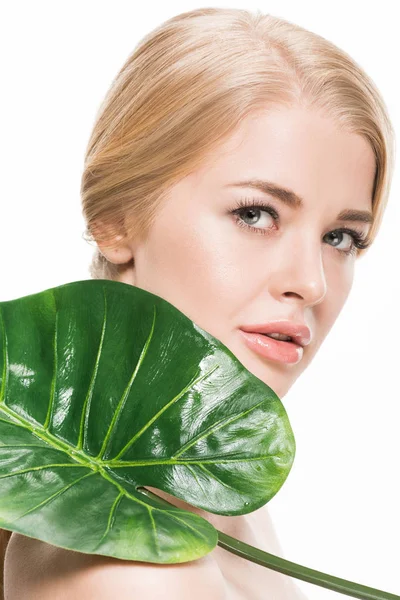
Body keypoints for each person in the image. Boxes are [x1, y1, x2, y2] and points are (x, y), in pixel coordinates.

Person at [2, 7, 394, 600]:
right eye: (256, 215)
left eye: (341, 237)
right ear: (115, 220)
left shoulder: (207, 496)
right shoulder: (127, 571)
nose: (311, 283)